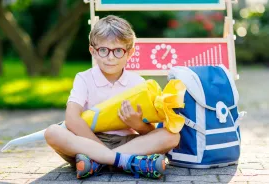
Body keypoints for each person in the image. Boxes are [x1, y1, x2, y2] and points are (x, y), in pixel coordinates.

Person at [44, 15, 180, 179]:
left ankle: (97, 163)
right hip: (88, 141)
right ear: (93, 51)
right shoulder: (84, 78)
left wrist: (137, 124)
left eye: (117, 51)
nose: (110, 58)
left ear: (130, 53)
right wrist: (99, 148)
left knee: (172, 136)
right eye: (103, 50)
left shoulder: (138, 83)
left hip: (128, 143)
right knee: (52, 132)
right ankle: (129, 163)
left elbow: (149, 131)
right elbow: (72, 119)